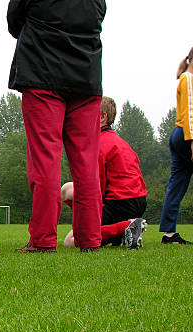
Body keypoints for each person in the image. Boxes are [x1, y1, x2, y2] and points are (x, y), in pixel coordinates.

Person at [8, 0, 106, 253]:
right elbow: (98, 17)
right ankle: (90, 239)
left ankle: (42, 240)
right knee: (87, 163)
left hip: (42, 75)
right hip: (86, 77)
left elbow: (14, 21)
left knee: (45, 160)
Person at [61, 97, 148, 250]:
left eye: (88, 114)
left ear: (102, 117)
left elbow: (96, 188)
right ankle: (118, 234)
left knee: (71, 240)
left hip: (118, 203)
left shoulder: (99, 144)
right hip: (136, 202)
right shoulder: (120, 142)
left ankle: (126, 228)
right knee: (67, 189)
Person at [159, 42, 193, 245]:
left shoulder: (186, 79)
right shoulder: (189, 79)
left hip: (179, 135)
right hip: (187, 135)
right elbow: (191, 112)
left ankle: (169, 234)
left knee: (177, 183)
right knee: (176, 183)